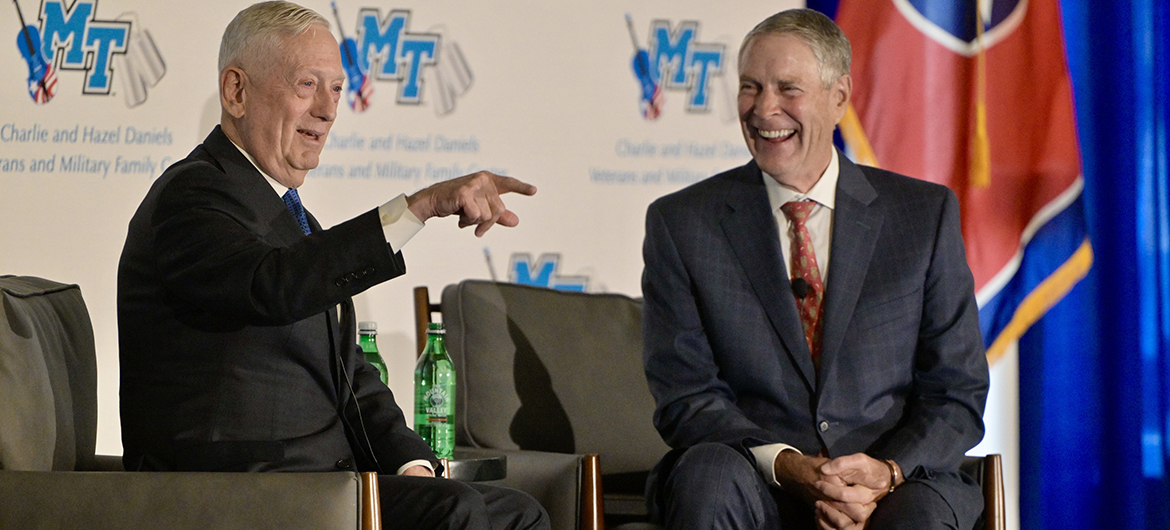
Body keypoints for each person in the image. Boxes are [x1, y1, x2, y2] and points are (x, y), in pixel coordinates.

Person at [117, 3, 547, 529]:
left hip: (322, 482)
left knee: (516, 513)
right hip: (234, 487)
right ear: (236, 92)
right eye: (306, 85)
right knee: (454, 512)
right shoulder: (193, 195)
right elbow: (271, 285)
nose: (328, 109)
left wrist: (410, 464)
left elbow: (353, 376)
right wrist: (419, 207)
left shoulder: (292, 219)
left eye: (337, 89)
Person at [640, 8, 989, 530]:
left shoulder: (922, 215)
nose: (763, 109)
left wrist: (886, 473)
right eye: (750, 87)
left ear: (839, 98)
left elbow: (957, 390)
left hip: (895, 485)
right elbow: (686, 396)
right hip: (751, 477)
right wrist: (785, 464)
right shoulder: (683, 223)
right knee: (707, 477)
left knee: (919, 516)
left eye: (787, 89)